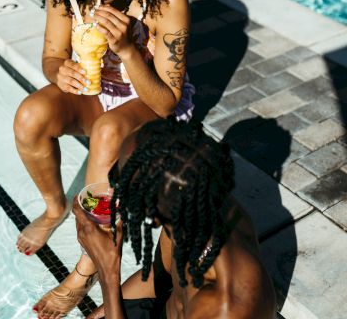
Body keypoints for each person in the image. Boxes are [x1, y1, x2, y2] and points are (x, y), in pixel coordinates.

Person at [13, 0, 195, 316]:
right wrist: (60, 72)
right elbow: (52, 57)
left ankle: (87, 270)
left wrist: (127, 49)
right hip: (97, 95)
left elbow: (166, 102)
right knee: (30, 116)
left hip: (149, 104)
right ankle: (55, 208)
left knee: (107, 130)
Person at [72, 118, 277, 319]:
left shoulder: (227, 307)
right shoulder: (188, 207)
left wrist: (108, 272)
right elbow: (155, 279)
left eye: (119, 179)